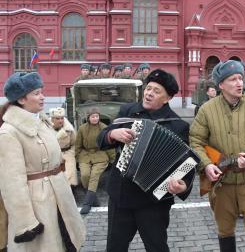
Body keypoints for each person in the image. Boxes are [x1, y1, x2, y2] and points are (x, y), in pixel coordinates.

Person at [97, 69, 196, 252]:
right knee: (115, 247)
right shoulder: (127, 112)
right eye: (148, 88)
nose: (149, 93)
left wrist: (183, 185)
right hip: (121, 197)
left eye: (156, 91)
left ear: (167, 98)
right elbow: (101, 140)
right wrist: (112, 134)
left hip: (153, 203)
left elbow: (186, 165)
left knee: (157, 247)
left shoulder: (177, 125)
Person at [190, 60, 245, 251]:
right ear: (221, 85)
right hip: (222, 184)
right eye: (232, 79)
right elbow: (196, 141)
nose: (239, 83)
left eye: (240, 78)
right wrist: (206, 165)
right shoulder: (207, 109)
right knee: (225, 231)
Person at [0, 72, 85, 251]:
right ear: (22, 99)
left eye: (42, 92)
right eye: (37, 93)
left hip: (58, 195)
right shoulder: (9, 132)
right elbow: (12, 184)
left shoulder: (41, 121)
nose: (43, 97)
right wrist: (26, 222)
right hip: (37, 202)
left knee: (66, 242)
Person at [75, 107, 114, 214]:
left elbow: (109, 144)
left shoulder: (104, 128)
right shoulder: (82, 128)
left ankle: (87, 203)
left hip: (101, 154)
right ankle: (94, 199)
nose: (95, 118)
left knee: (94, 176)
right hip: (85, 155)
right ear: (88, 118)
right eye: (92, 116)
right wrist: (77, 157)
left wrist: (113, 159)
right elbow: (78, 144)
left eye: (97, 116)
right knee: (84, 175)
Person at [50, 107, 78, 188]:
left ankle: (71, 188)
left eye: (62, 118)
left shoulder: (69, 129)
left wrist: (71, 153)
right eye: (57, 118)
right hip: (53, 153)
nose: (60, 120)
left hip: (67, 152)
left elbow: (74, 143)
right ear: (52, 119)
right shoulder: (46, 129)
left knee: (70, 173)